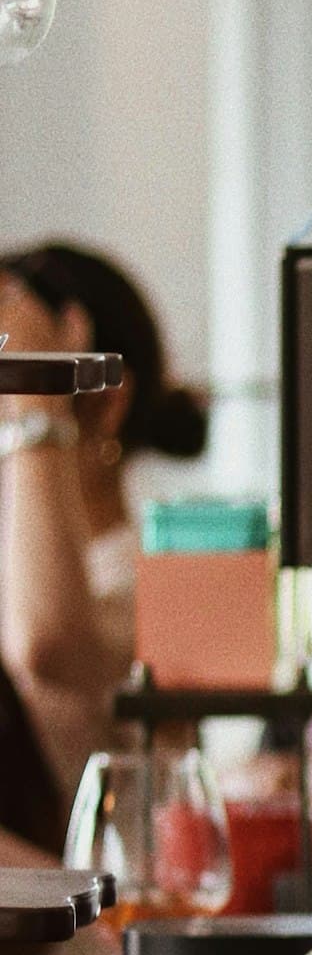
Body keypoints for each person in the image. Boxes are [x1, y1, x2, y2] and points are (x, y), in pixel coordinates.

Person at [0, 243, 208, 855]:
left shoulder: (164, 584)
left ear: (107, 404)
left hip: (96, 940)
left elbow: (49, 642)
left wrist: (38, 398)